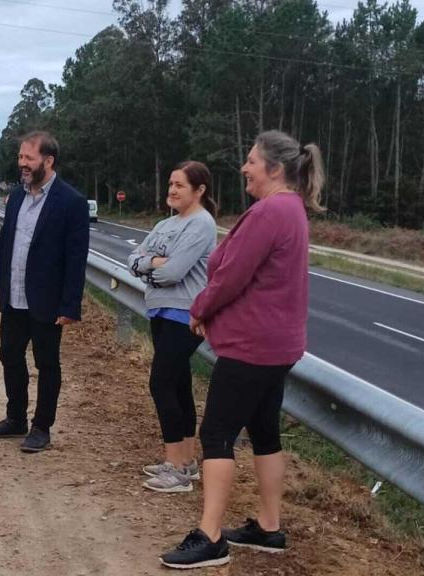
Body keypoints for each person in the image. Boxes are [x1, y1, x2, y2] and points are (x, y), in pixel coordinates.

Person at [160, 131, 324, 569]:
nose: (244, 168)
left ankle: (210, 537)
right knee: (265, 432)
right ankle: (269, 528)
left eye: (251, 161)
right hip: (279, 344)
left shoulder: (269, 212)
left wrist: (200, 308)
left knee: (216, 434)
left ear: (275, 168)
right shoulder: (293, 209)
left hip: (252, 345)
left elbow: (232, 274)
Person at [0, 131, 90, 453]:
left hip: (47, 301)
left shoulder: (71, 202)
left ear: (48, 160)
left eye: (29, 158)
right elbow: (4, 244)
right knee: (9, 355)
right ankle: (16, 419)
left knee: (47, 364)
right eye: (20, 157)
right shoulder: (16, 197)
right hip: (14, 297)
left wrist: (70, 305)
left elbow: (76, 258)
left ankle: (42, 427)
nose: (22, 163)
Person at [128, 161, 216, 493]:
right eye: (170, 184)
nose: (172, 190)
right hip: (160, 310)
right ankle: (187, 462)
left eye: (180, 185)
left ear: (199, 190)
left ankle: (175, 468)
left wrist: (148, 268)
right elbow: (132, 260)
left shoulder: (201, 224)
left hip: (185, 313)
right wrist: (152, 263)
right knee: (178, 385)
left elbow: (174, 272)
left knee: (161, 383)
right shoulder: (165, 224)